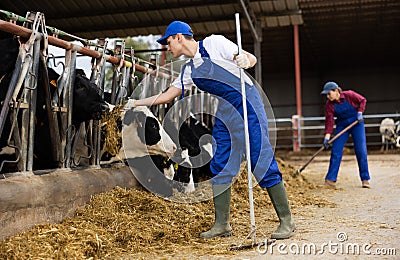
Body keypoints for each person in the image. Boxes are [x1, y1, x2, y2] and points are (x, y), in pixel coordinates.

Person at [126, 21, 295, 239]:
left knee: (259, 156)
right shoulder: (188, 70)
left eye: (168, 42)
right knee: (221, 162)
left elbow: (250, 58)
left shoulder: (215, 43)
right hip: (225, 112)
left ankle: (286, 222)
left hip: (247, 103)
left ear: (179, 37)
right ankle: (222, 225)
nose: (168, 48)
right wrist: (136, 104)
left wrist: (245, 60)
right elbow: (167, 95)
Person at [321, 81, 371, 188]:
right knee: (336, 150)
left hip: (356, 123)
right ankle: (330, 179)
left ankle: (365, 179)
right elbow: (329, 121)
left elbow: (362, 100)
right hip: (342, 125)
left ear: (336, 91)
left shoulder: (349, 95)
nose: (327, 96)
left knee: (361, 150)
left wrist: (360, 112)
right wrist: (327, 137)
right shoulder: (329, 105)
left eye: (329, 93)